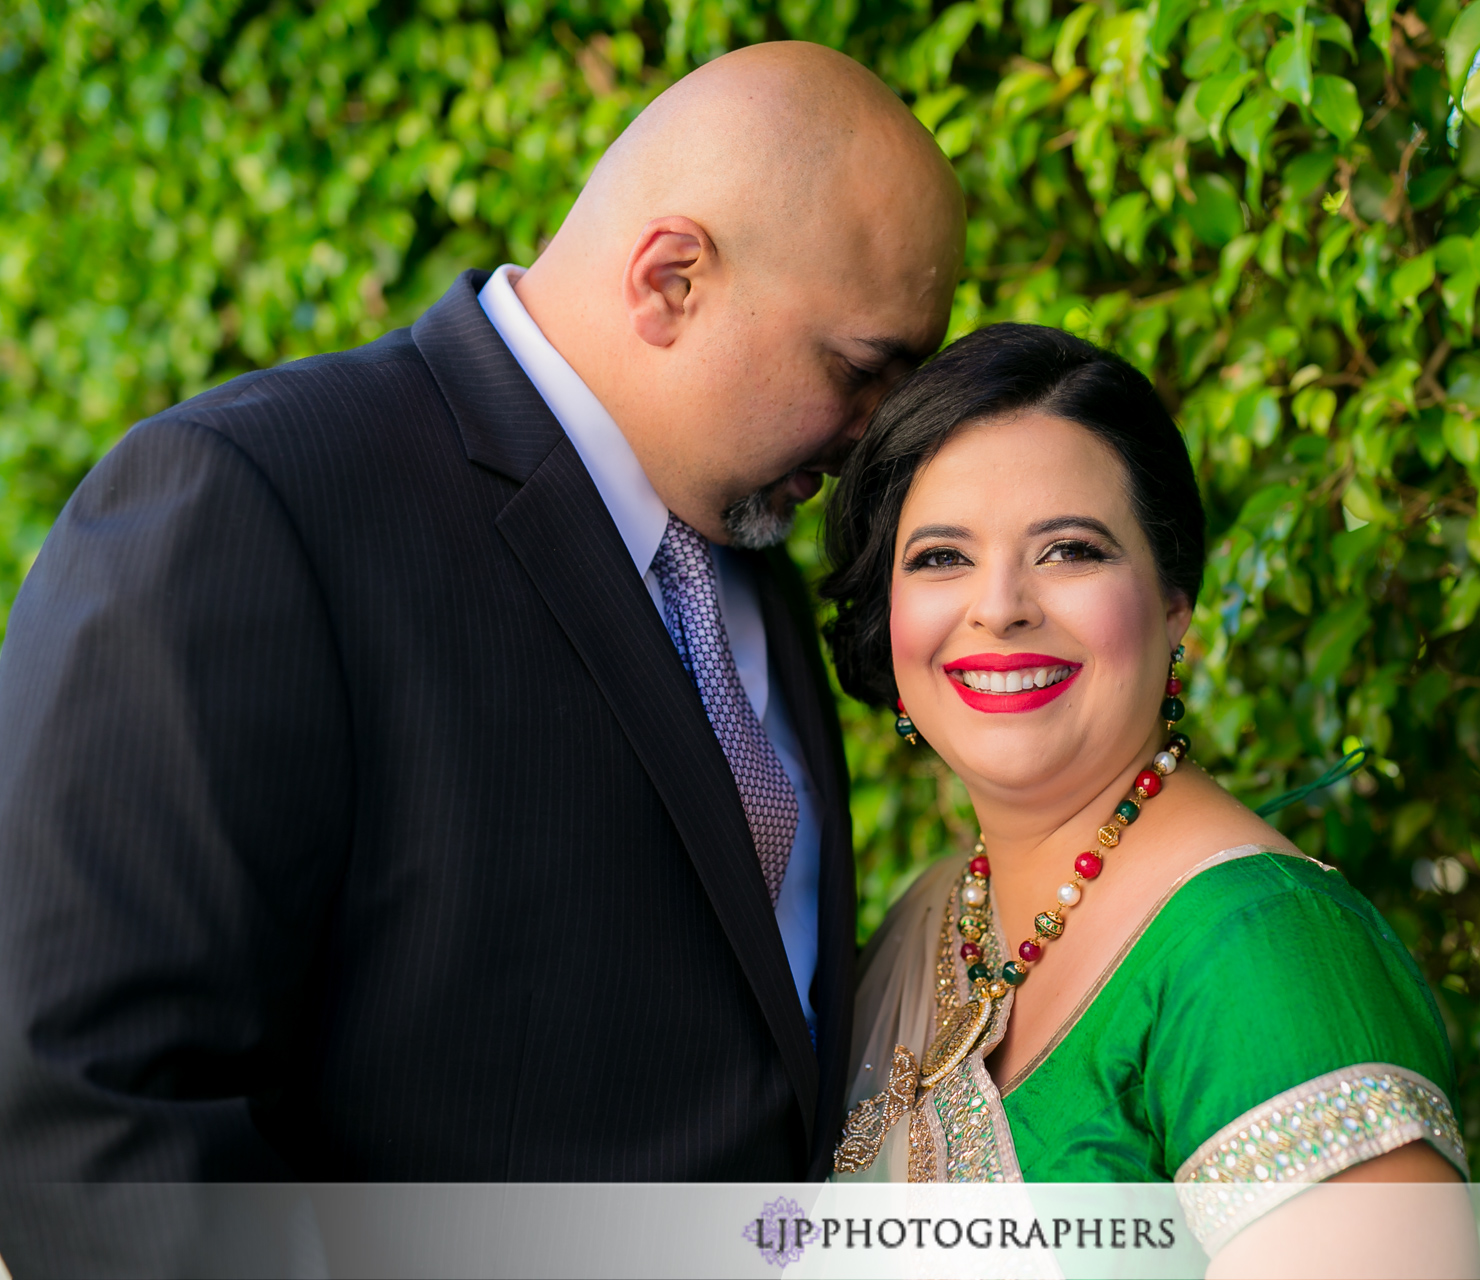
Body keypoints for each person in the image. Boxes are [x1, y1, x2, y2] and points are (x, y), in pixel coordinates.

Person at [0, 38, 963, 1212]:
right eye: (860, 370)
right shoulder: (254, 501)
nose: (875, 434)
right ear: (671, 278)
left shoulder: (744, 547)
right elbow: (93, 1114)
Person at [817, 324, 1477, 1275]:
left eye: (1071, 551)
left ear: (1175, 603)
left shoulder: (1262, 956)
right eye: (940, 558)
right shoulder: (936, 919)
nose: (999, 606)